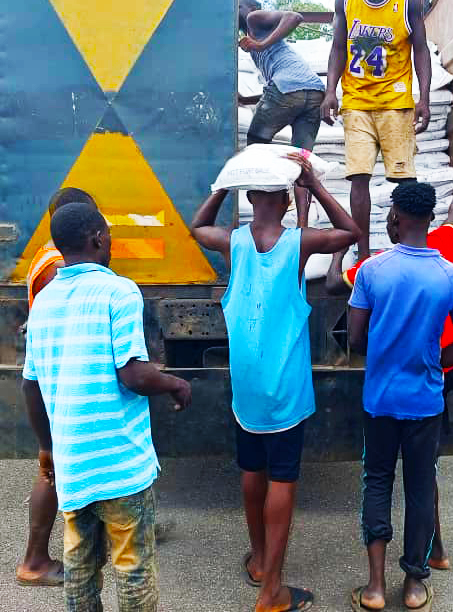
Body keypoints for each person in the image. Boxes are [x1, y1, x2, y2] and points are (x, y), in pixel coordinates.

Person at [191, 153, 359, 612]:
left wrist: (222, 185)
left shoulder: (232, 241)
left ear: (248, 199)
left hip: (246, 385)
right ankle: (272, 593)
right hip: (285, 385)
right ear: (287, 202)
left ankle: (261, 561)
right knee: (283, 477)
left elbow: (196, 228)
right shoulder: (299, 243)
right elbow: (351, 233)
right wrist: (317, 187)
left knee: (251, 469)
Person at [22, 203, 192, 612]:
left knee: (80, 571)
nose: (111, 240)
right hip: (120, 466)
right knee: (133, 573)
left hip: (74, 465)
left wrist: (48, 448)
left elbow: (29, 384)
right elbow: (132, 374)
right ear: (98, 238)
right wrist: (175, 383)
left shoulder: (43, 302)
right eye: (109, 234)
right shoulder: (119, 290)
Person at [328, 160, 453, 573]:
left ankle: (376, 586)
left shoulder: (372, 270)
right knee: (420, 489)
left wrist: (387, 353)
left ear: (395, 217)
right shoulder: (451, 275)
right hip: (425, 400)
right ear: (430, 217)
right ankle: (417, 582)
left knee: (378, 482)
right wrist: (431, 362)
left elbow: (357, 338)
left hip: (380, 398)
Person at [321, 0, 433, 259]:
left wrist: (423, 97)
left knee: (404, 180)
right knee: (359, 176)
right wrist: (330, 91)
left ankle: (406, 249)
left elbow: (422, 50)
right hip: (356, 100)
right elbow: (338, 47)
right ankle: (363, 251)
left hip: (395, 101)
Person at [16, 186, 97, 587]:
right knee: (51, 468)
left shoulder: (45, 256)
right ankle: (33, 560)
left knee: (62, 464)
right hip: (60, 376)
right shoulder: (55, 267)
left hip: (56, 373)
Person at [239, 0, 327, 227]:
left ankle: (265, 218)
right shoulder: (253, 34)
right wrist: (246, 100)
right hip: (313, 92)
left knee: (256, 145)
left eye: (236, 6)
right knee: (302, 164)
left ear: (247, 7)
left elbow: (295, 16)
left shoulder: (253, 18)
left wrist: (260, 44)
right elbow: (284, 88)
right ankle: (302, 226)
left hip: (289, 90)